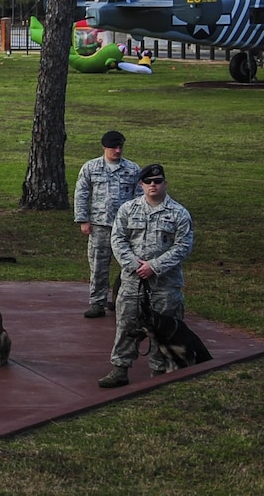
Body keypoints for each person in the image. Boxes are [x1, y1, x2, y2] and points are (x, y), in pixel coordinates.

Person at [100, 163, 194, 388]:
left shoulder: (179, 213)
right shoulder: (128, 209)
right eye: (149, 182)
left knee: (163, 330)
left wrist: (155, 266)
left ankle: (159, 372)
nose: (153, 185)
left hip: (165, 284)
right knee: (126, 326)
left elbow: (183, 246)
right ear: (141, 184)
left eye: (158, 181)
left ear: (165, 183)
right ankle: (120, 369)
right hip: (133, 283)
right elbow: (118, 239)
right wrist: (133, 265)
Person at [72, 129, 141, 317]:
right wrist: (83, 220)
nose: (117, 151)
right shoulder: (91, 168)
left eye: (120, 147)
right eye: (113, 147)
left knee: (128, 265)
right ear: (104, 147)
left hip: (125, 227)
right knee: (98, 265)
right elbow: (82, 194)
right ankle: (97, 302)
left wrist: (137, 223)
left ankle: (122, 299)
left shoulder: (133, 169)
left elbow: (139, 197)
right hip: (99, 225)